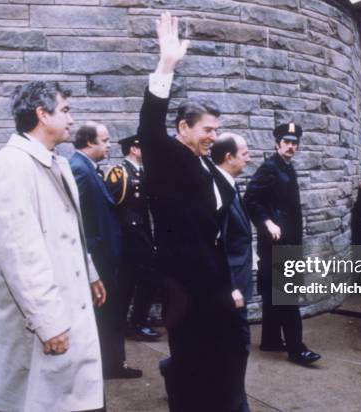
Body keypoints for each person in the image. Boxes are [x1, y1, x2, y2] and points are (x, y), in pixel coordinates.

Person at [0, 81, 105, 411]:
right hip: (38, 320)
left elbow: (69, 228)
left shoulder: (54, 161)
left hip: (65, 305)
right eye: (65, 110)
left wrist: (89, 271)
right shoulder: (12, 167)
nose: (71, 119)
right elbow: (20, 254)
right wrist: (48, 322)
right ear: (42, 114)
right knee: (28, 399)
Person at [136, 13, 244, 411]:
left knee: (215, 369)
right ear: (183, 127)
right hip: (185, 291)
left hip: (211, 289)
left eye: (217, 131)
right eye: (207, 130)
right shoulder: (167, 156)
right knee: (191, 374)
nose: (213, 137)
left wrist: (227, 285)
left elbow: (213, 231)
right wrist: (166, 65)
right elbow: (149, 126)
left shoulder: (204, 164)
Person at [244, 122, 321, 366]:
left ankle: (270, 340)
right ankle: (297, 349)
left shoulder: (287, 167)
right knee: (287, 296)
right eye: (287, 142)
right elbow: (250, 200)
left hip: (287, 242)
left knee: (273, 293)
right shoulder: (269, 168)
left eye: (294, 142)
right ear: (277, 143)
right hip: (277, 242)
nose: (291, 146)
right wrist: (267, 222)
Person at [70, 122, 142, 379]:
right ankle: (111, 364)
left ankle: (111, 362)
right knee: (108, 313)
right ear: (90, 142)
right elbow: (75, 217)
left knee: (111, 312)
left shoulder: (90, 169)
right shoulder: (79, 169)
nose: (110, 144)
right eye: (105, 140)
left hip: (107, 255)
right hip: (99, 257)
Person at [210, 132, 253, 412]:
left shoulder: (229, 184)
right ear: (229, 157)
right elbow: (215, 244)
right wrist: (229, 287)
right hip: (230, 286)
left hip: (237, 279)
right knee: (236, 345)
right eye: (245, 153)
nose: (249, 157)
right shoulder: (217, 189)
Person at [105, 135, 162, 343]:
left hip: (142, 232)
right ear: (134, 150)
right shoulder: (119, 173)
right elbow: (108, 206)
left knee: (132, 279)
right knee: (141, 278)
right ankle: (135, 323)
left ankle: (131, 323)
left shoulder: (142, 172)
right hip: (129, 233)